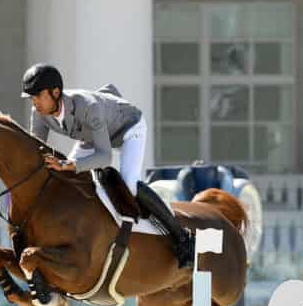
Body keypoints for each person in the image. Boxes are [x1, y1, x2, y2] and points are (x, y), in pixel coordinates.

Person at [21, 62, 193, 267]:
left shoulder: (88, 106)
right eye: (31, 98)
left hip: (129, 129)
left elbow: (105, 157)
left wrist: (68, 164)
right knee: (65, 179)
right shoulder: (39, 114)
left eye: (38, 96)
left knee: (128, 184)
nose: (35, 103)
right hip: (93, 136)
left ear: (55, 92)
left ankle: (181, 237)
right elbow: (35, 151)